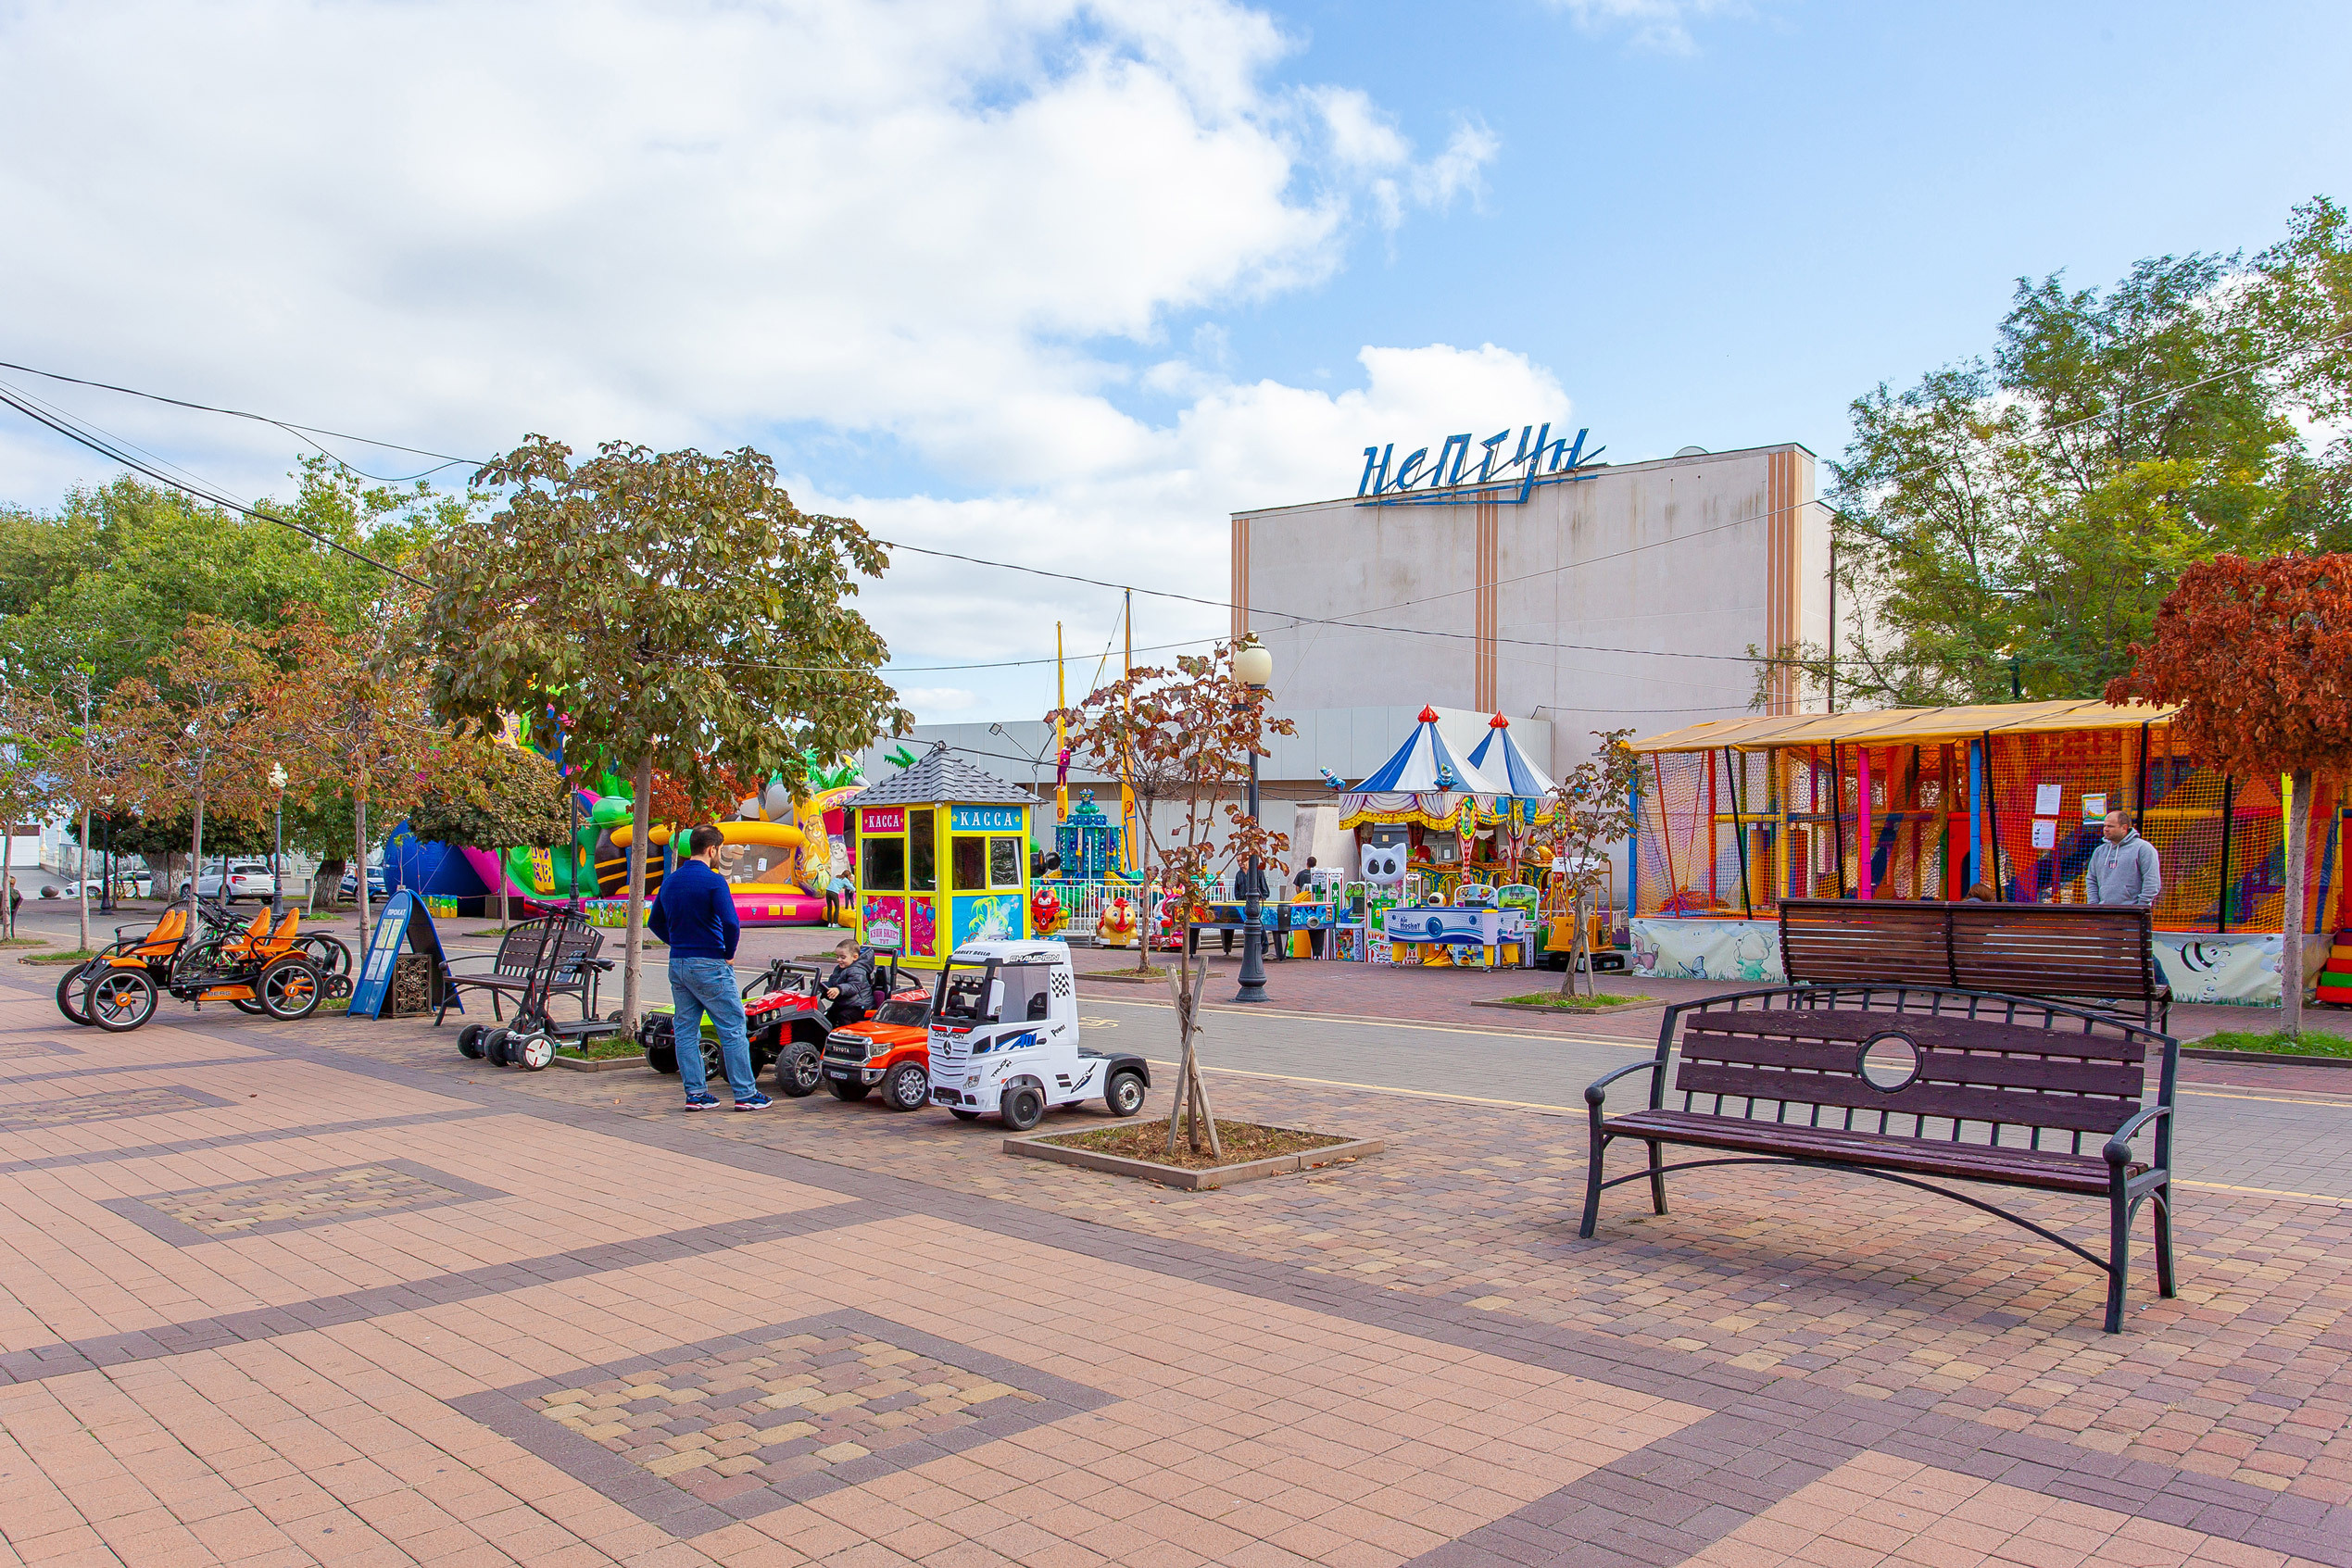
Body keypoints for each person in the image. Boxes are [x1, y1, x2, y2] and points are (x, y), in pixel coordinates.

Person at [648, 824, 767, 1111]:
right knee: (732, 1027)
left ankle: (697, 1095)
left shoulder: (671, 881)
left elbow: (654, 922)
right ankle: (745, 1094)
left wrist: (676, 941)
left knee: (686, 1030)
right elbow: (730, 923)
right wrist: (728, 953)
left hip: (678, 963)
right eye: (720, 850)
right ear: (712, 849)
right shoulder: (714, 882)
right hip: (710, 963)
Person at [2085, 809, 2161, 908]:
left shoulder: (2143, 848)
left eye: (2110, 826)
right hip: (2102, 912)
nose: (2106, 829)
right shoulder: (2099, 851)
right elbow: (2091, 879)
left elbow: (2152, 881)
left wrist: (2140, 906)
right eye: (2105, 826)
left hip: (2132, 913)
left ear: (2124, 828)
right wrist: (2094, 906)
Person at [821, 937, 874, 1026]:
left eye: (843, 957)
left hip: (860, 1006)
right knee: (829, 1015)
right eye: (837, 957)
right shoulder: (839, 969)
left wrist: (839, 989)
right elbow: (833, 982)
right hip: (846, 1003)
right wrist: (822, 987)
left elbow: (854, 987)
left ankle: (845, 1036)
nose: (839, 960)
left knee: (844, 1016)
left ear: (855, 957)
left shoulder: (857, 970)